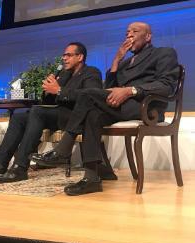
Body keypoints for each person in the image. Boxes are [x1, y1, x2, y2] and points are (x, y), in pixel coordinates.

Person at [30, 22, 179, 195]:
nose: (129, 35)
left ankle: (63, 150)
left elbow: (166, 85)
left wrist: (130, 90)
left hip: (146, 107)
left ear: (148, 36)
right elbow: (107, 88)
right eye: (127, 32)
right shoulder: (125, 62)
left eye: (135, 31)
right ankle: (92, 178)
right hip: (121, 106)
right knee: (92, 114)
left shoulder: (164, 53)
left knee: (86, 94)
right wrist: (116, 60)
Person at [0, 42, 106, 183]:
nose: (64, 58)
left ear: (80, 57)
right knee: (19, 116)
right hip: (58, 114)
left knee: (37, 111)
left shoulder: (91, 72)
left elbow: (91, 96)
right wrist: (48, 90)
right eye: (63, 55)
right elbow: (51, 101)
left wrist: (59, 90)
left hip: (76, 117)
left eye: (68, 55)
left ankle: (20, 167)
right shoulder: (65, 74)